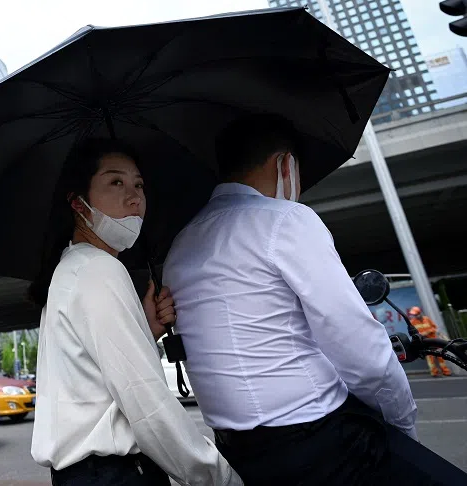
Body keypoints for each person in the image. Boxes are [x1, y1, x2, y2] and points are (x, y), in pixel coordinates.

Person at [163, 113, 455, 485]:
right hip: (320, 443)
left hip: (238, 452)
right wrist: (401, 424)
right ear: (286, 164)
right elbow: (359, 347)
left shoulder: (179, 245)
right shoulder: (285, 220)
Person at [29, 139, 241, 486]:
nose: (134, 198)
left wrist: (145, 330)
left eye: (138, 184)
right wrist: (218, 475)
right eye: (116, 182)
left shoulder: (72, 270)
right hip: (117, 474)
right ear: (77, 203)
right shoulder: (100, 271)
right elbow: (149, 406)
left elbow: (93, 379)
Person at [408, 307, 452, 377]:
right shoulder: (413, 322)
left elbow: (434, 328)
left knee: (441, 357)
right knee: (430, 358)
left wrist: (428, 331)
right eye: (414, 315)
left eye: (416, 314)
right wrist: (422, 334)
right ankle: (434, 373)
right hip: (425, 343)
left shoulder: (427, 319)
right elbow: (414, 334)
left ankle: (446, 371)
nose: (415, 316)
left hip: (434, 341)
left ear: (420, 313)